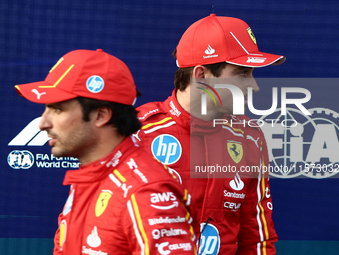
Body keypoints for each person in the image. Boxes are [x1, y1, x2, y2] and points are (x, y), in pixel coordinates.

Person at [14, 49, 196, 255]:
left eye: (57, 109)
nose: (43, 123)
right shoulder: (90, 176)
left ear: (100, 116)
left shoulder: (146, 193)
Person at [135, 14, 285, 254]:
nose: (254, 86)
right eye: (242, 73)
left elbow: (257, 241)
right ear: (201, 76)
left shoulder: (250, 137)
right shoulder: (136, 133)